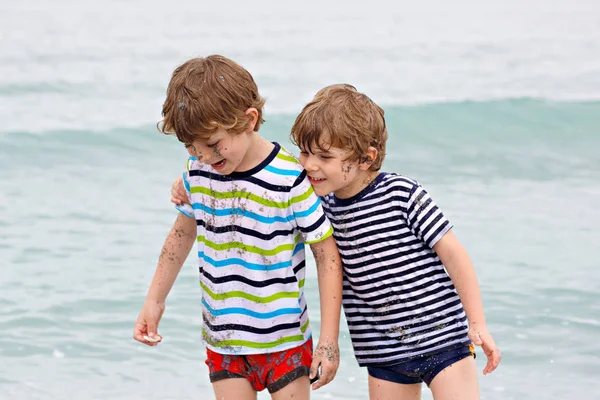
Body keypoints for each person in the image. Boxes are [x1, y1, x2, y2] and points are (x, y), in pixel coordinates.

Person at [172, 83, 501, 400]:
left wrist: (477, 323)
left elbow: (454, 254)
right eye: (304, 152)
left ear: (365, 158)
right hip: (383, 352)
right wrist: (189, 181)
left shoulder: (403, 195)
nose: (309, 165)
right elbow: (264, 179)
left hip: (443, 337)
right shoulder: (318, 207)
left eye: (324, 157)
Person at [134, 55, 344, 400]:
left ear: (249, 120)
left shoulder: (289, 178)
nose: (202, 156)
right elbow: (181, 235)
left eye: (213, 144)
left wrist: (328, 340)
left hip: (284, 339)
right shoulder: (197, 171)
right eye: (190, 146)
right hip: (224, 339)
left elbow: (326, 254)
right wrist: (154, 300)